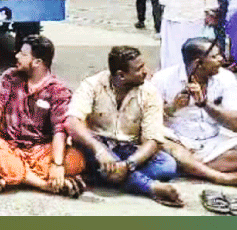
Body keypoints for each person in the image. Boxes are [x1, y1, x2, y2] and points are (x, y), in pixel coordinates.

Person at [65, 46, 183, 207]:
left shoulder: (149, 92)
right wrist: (100, 151)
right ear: (121, 75)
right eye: (139, 69)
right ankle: (150, 187)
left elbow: (153, 139)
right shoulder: (92, 84)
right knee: (86, 150)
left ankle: (104, 176)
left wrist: (128, 165)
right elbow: (72, 122)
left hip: (128, 149)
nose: (146, 72)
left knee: (167, 165)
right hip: (97, 146)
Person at [0, 35, 86, 197]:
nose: (17, 56)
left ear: (37, 62)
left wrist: (57, 164)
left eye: (23, 54)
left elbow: (59, 130)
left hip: (40, 150)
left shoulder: (58, 90)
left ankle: (12, 176)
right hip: (9, 145)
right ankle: (44, 184)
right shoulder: (10, 77)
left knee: (76, 160)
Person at [152, 38, 237, 182]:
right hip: (178, 142)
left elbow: (236, 125)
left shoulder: (226, 78)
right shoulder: (163, 79)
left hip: (213, 143)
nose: (221, 60)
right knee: (162, 144)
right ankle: (222, 177)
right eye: (214, 57)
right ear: (198, 63)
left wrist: (205, 104)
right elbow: (148, 120)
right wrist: (173, 107)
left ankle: (188, 167)